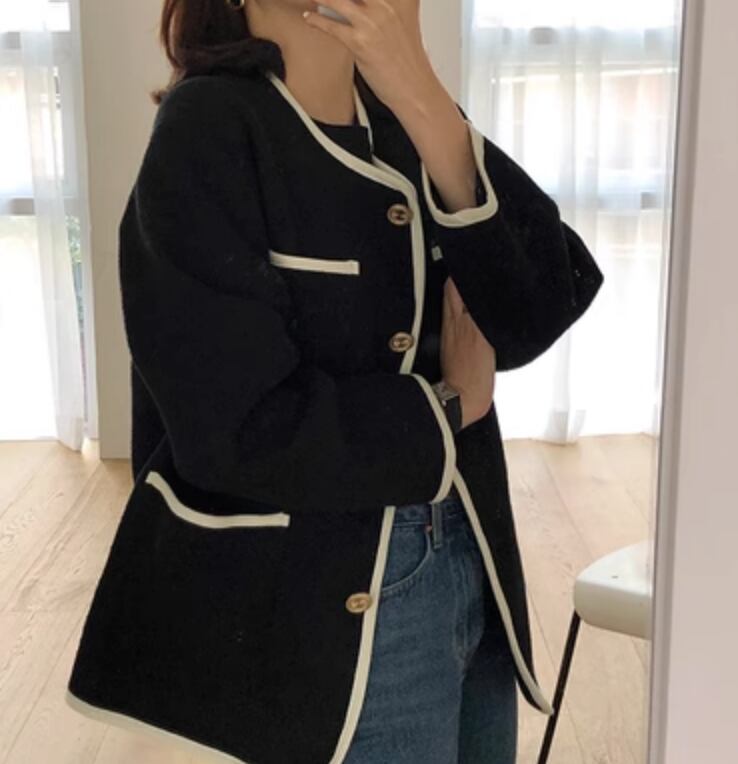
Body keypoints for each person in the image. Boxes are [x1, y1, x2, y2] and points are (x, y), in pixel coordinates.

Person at [65, 1, 605, 763]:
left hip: (472, 552)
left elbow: (540, 305)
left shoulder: (404, 115)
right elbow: (234, 430)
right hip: (330, 593)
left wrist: (422, 94)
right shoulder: (209, 128)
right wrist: (450, 406)